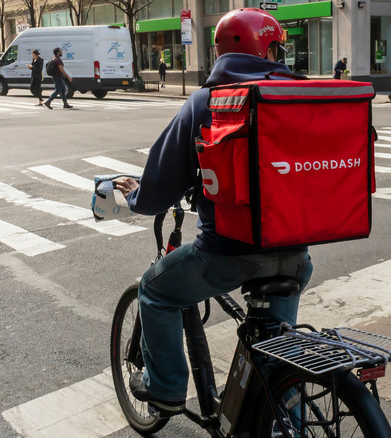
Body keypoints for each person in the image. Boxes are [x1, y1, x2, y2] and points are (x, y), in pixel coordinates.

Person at [113, 8, 312, 416]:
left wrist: (135, 196)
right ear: (270, 49)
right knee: (279, 354)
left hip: (227, 256)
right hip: (296, 256)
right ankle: (290, 422)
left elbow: (156, 190)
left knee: (155, 291)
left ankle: (166, 387)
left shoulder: (208, 102)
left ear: (222, 49)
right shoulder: (302, 97)